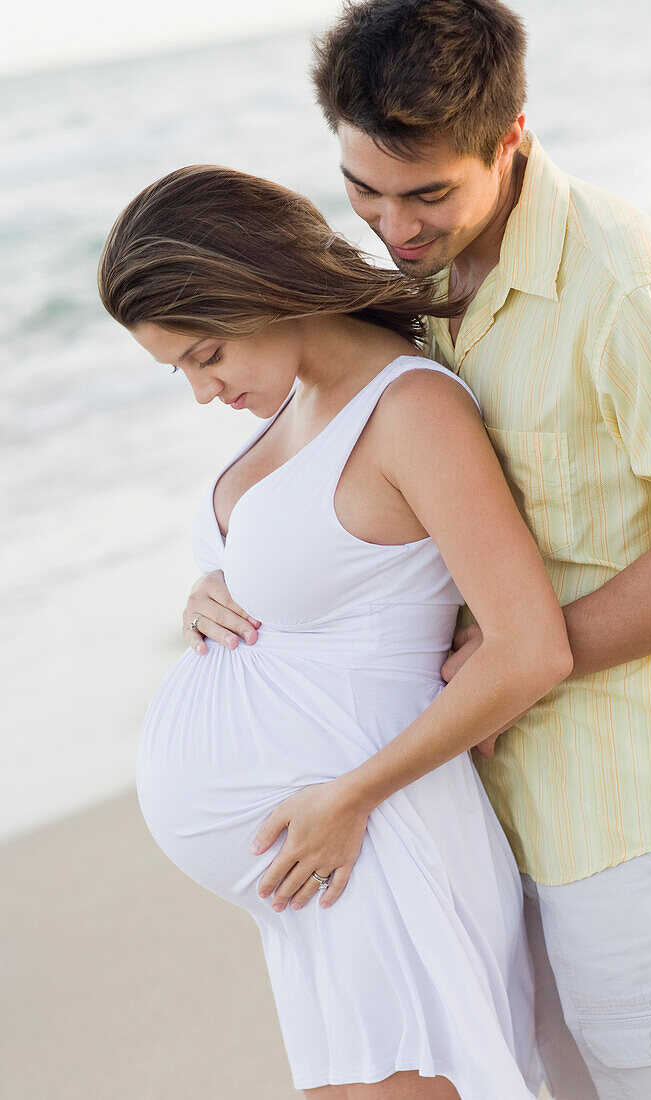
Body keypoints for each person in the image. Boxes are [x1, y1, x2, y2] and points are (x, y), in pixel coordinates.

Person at [181, 2, 651, 1097]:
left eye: (429, 191)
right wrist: (226, 580)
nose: (393, 223)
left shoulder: (626, 285)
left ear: (511, 135)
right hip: (479, 816)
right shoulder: (413, 293)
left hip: (630, 810)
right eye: (363, 188)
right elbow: (373, 500)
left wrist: (522, 654)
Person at [98, 163, 574, 1098]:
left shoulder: (412, 410)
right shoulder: (294, 402)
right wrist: (212, 582)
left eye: (205, 355)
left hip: (371, 836)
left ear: (258, 288)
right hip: (325, 871)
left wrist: (351, 798)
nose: (203, 392)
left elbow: (530, 649)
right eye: (179, 371)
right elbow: (326, 564)